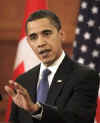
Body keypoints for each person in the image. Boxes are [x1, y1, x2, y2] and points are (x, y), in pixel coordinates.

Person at [5, 10, 99, 123]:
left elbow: (77, 119)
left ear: (61, 35)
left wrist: (36, 110)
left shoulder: (84, 76)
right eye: (33, 37)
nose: (40, 43)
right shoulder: (23, 81)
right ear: (29, 43)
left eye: (46, 33)